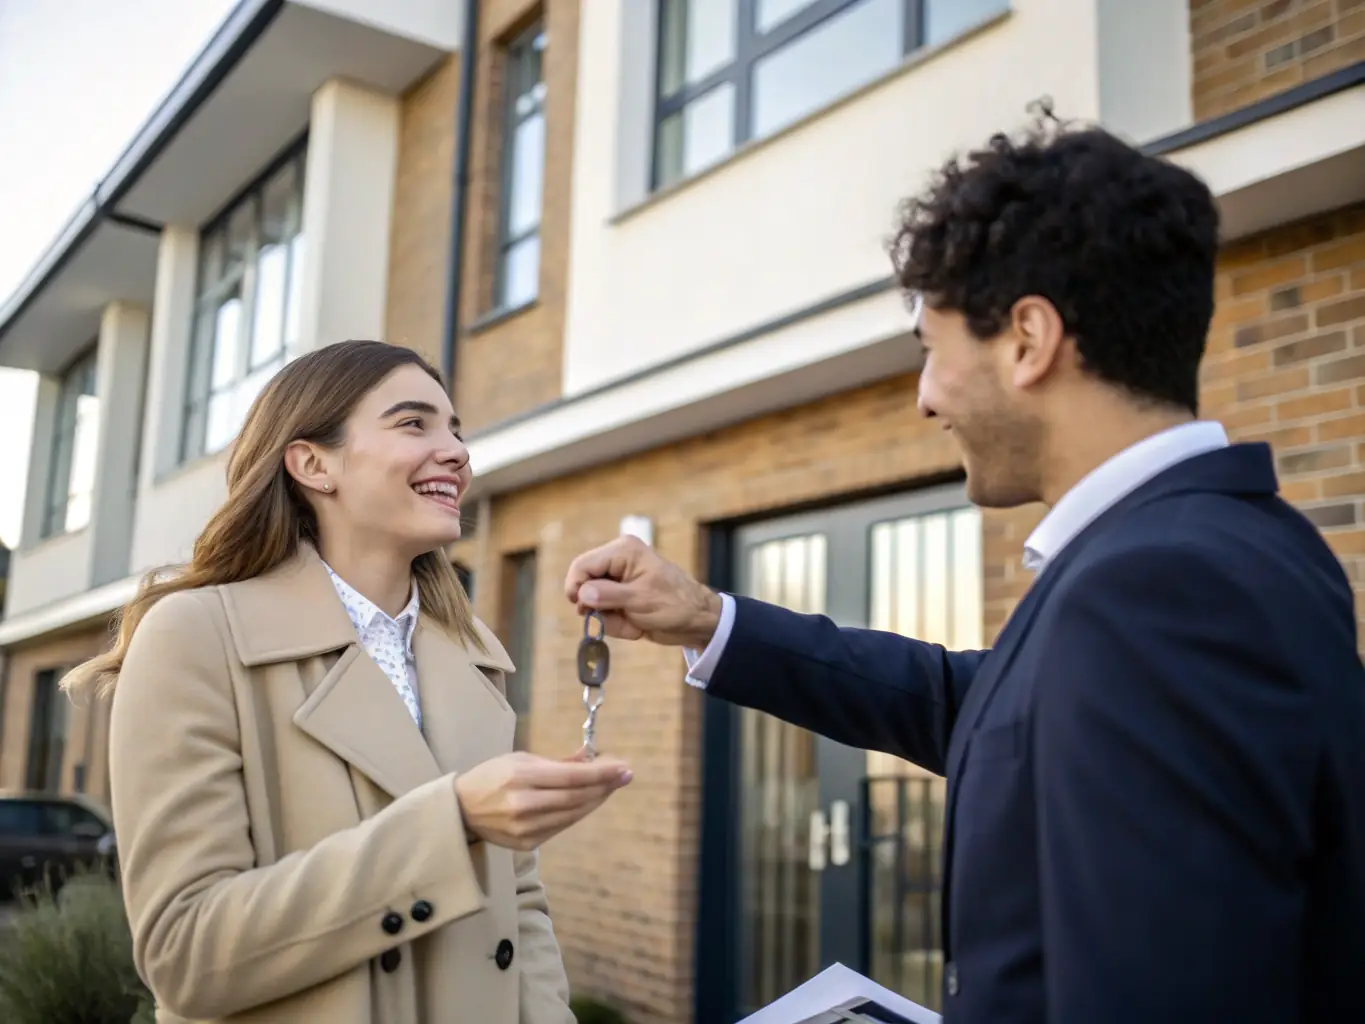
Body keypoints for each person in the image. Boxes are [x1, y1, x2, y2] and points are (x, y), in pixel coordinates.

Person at [564, 121, 1365, 1023]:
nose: (924, 396)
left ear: (1027, 339)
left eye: (929, 349)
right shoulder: (1210, 549)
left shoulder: (1158, 591)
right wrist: (709, 619)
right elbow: (969, 706)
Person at [64, 341, 632, 1023]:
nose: (455, 451)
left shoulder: (475, 655)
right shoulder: (195, 636)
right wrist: (451, 823)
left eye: (455, 430)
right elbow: (187, 953)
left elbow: (523, 913)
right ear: (312, 464)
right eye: (413, 423)